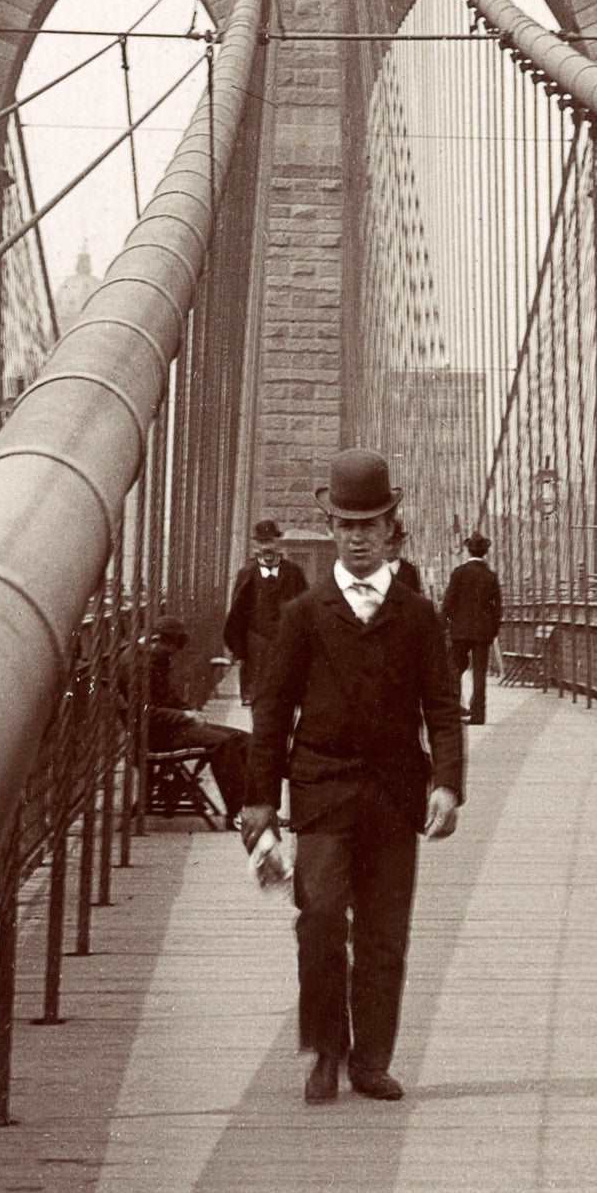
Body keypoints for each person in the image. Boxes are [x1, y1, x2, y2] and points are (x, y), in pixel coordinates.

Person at [242, 450, 464, 1104]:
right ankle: (324, 1049)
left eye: (370, 525)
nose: (359, 536)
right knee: (319, 920)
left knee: (384, 935)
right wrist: (258, 799)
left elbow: (444, 708)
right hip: (322, 791)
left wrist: (446, 785)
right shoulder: (304, 614)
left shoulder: (420, 616)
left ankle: (370, 1060)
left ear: (391, 528)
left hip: (396, 796)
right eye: (346, 525)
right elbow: (273, 710)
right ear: (332, 529)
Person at [142, 617, 251, 822]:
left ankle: (253, 806)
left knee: (243, 738)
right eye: (171, 648)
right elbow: (144, 712)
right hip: (156, 735)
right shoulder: (138, 665)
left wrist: (190, 712)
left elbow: (169, 698)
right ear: (162, 641)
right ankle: (237, 811)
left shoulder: (156, 658)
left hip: (172, 726)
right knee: (223, 743)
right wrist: (184, 715)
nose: (173, 654)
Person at [223, 520, 307, 705]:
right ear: (256, 545)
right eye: (262, 543)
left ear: (278, 542)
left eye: (270, 541)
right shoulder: (246, 574)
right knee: (258, 701)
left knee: (284, 698)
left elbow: (306, 609)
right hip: (256, 645)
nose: (267, 547)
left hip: (286, 642)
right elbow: (237, 614)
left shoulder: (294, 573)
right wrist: (238, 650)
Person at [441, 532, 504, 725]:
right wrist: (492, 630)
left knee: (454, 669)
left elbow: (448, 603)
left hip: (460, 631)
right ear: (485, 552)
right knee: (479, 673)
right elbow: (497, 608)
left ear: (469, 550)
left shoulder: (459, 573)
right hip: (482, 633)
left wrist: (450, 623)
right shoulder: (490, 576)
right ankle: (478, 715)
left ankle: (453, 710)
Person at [386, 516, 425, 597]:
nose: (391, 547)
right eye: (387, 543)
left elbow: (415, 601)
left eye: (395, 543)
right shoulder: (372, 570)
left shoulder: (409, 571)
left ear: (401, 543)